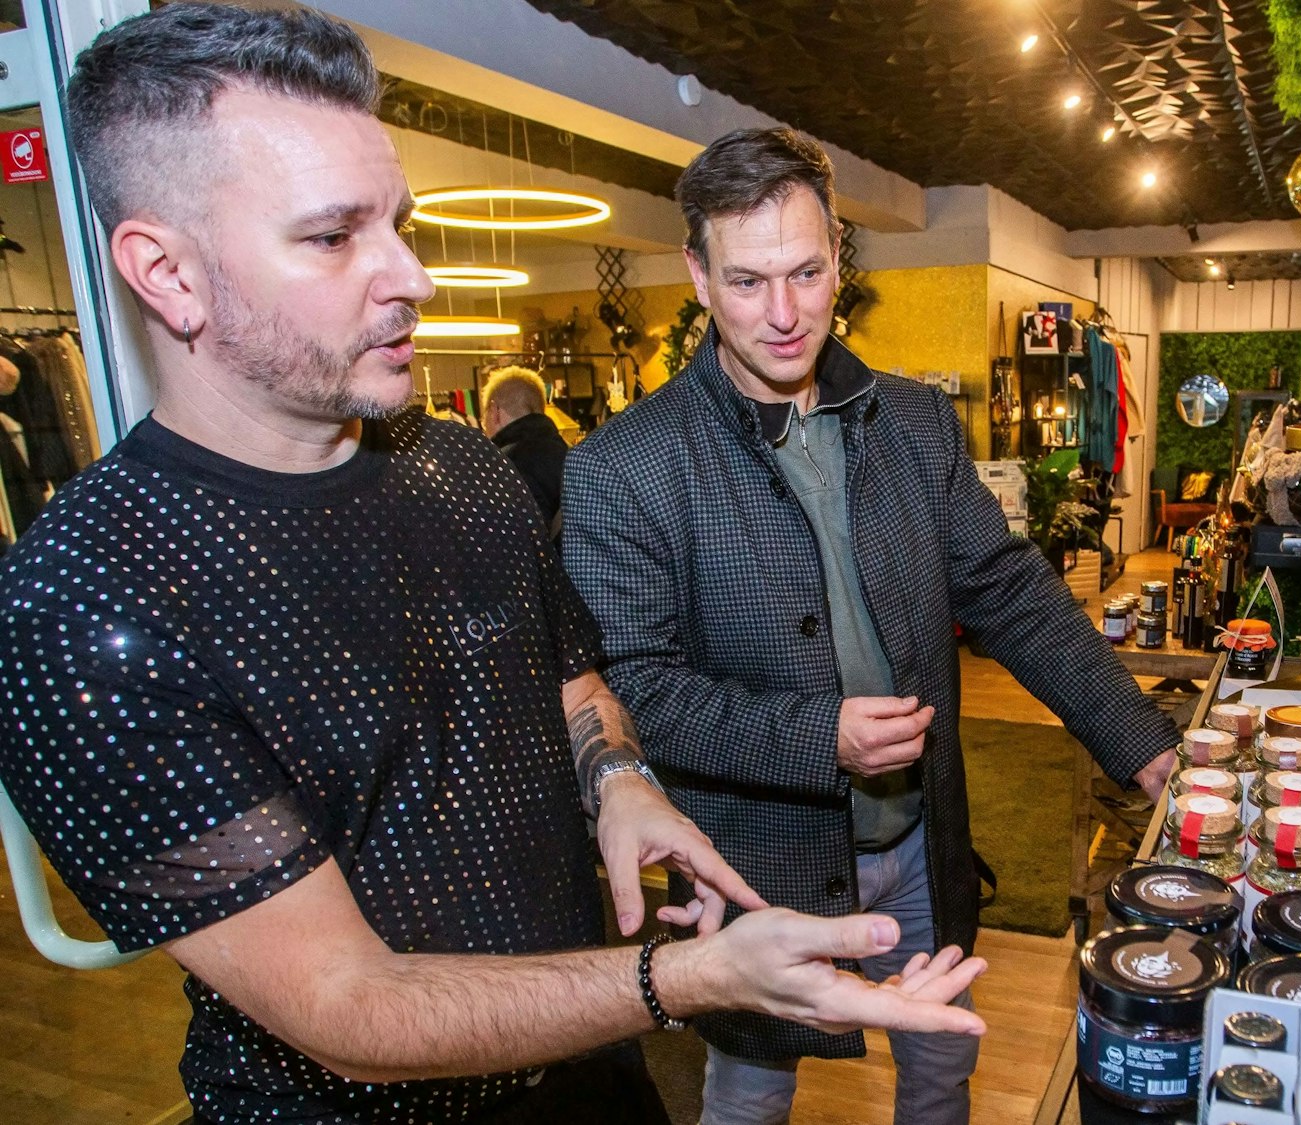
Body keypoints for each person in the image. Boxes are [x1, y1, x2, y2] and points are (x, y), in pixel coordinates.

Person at [0, 8, 984, 1123]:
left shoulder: (457, 466)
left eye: (399, 224)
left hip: (596, 1079)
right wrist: (689, 980)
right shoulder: (86, 602)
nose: (410, 275)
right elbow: (347, 1008)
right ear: (166, 272)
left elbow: (572, 678)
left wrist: (620, 784)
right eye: (332, 237)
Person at [562, 127, 1180, 1125]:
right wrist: (821, 737)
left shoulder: (915, 422)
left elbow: (1010, 593)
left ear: (839, 255)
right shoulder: (624, 467)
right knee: (751, 1090)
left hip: (919, 839)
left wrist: (1141, 743)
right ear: (697, 273)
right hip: (761, 862)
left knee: (941, 1064)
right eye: (748, 280)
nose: (783, 314)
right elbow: (636, 688)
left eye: (807, 272)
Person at [481, 365, 569, 528]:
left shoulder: (503, 466)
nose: (483, 424)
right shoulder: (569, 452)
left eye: (483, 415)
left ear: (495, 411)